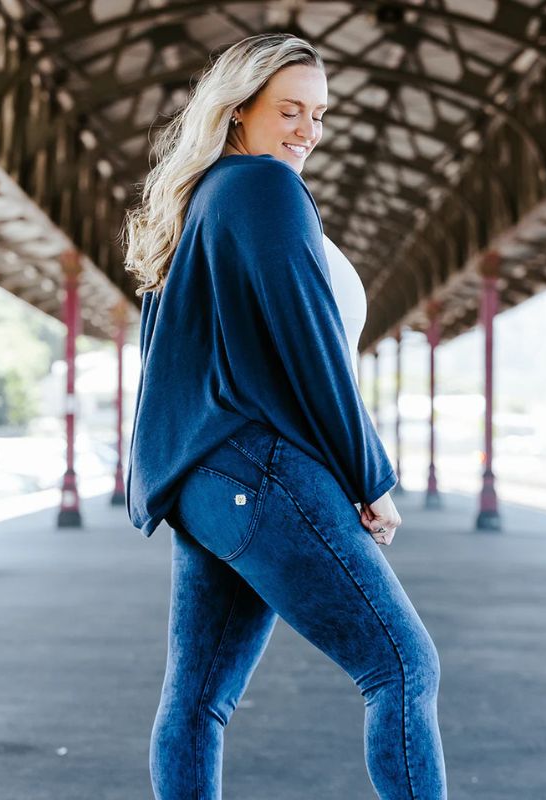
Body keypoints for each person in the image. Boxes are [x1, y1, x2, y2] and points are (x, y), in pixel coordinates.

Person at [122, 32, 448, 800]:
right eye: (290, 111)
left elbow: (163, 356)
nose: (309, 131)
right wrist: (370, 476)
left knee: (199, 702)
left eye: (321, 115)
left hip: (209, 480)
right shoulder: (263, 187)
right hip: (260, 469)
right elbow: (310, 348)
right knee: (402, 667)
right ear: (238, 112)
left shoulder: (201, 198)